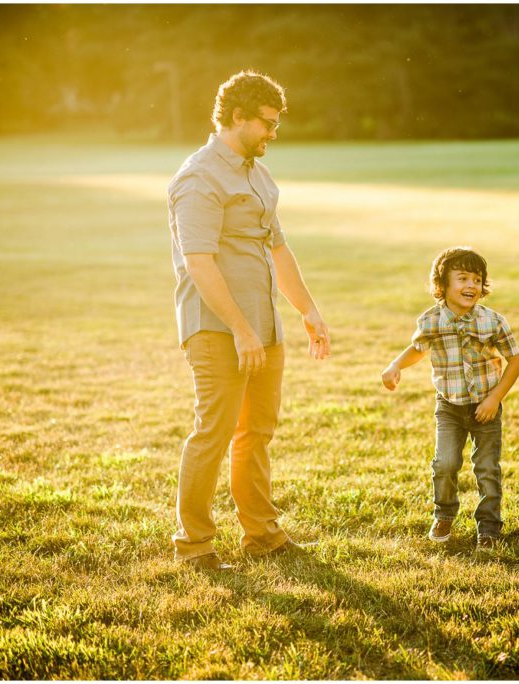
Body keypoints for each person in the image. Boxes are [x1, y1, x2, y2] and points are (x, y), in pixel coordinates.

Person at [167, 70, 331, 571]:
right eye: (266, 123)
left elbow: (278, 248)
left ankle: (261, 533)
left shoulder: (256, 173)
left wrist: (307, 309)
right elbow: (199, 262)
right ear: (237, 117)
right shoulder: (198, 178)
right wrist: (240, 329)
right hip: (217, 326)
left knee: (257, 431)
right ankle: (194, 544)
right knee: (213, 431)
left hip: (265, 324)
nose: (273, 134)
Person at [381, 247, 519, 549]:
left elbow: (516, 361)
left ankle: (488, 527)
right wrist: (395, 366)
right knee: (445, 463)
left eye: (477, 279)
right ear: (442, 284)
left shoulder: (492, 321)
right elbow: (418, 349)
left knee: (487, 469)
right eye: (462, 279)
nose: (471, 286)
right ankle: (444, 514)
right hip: (449, 407)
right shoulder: (432, 320)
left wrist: (495, 398)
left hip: (485, 406)